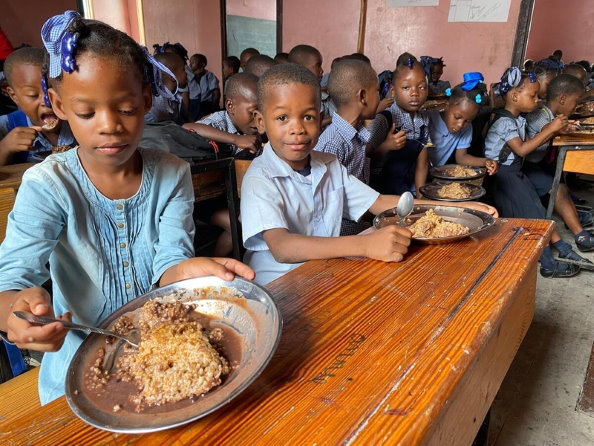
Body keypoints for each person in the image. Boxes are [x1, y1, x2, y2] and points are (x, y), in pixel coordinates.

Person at [0, 11, 254, 405]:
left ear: (147, 100)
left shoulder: (172, 173)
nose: (109, 125)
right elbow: (10, 279)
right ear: (59, 104)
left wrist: (186, 271)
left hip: (163, 352)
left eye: (127, 109)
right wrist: (13, 311)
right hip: (78, 369)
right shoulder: (48, 185)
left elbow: (170, 259)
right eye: (87, 113)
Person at [240, 63, 497, 285]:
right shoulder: (260, 177)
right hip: (278, 285)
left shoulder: (327, 164)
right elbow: (283, 248)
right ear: (261, 122)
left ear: (320, 119)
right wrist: (364, 244)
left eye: (307, 117)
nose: (297, 129)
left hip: (323, 273)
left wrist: (461, 209)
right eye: (282, 117)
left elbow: (379, 203)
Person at [484, 67, 584, 278]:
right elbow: (522, 149)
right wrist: (549, 130)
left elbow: (530, 145)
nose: (538, 100)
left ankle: (560, 245)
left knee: (537, 209)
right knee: (533, 216)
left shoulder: (518, 119)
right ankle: (548, 264)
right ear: (514, 96)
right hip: (504, 174)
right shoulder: (504, 122)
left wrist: (555, 130)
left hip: (515, 171)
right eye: (533, 95)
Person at [524, 74, 594, 251]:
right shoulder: (540, 117)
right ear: (562, 99)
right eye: (575, 102)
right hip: (527, 168)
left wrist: (562, 128)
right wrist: (555, 132)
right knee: (559, 188)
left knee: (560, 183)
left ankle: (576, 218)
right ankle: (580, 235)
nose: (576, 106)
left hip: (540, 166)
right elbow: (532, 150)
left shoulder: (551, 115)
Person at [314, 59, 379, 235]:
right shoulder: (332, 143)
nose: (379, 98)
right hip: (341, 231)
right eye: (378, 91)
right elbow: (324, 206)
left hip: (361, 219)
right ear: (363, 96)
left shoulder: (356, 134)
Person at [0, 47, 76, 165]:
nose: (47, 102)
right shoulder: (5, 127)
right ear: (13, 95)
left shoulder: (79, 119)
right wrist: (5, 148)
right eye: (33, 95)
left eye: (54, 91)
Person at [369, 57, 430, 197]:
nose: (415, 93)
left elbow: (422, 162)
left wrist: (421, 198)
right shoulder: (384, 119)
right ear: (393, 91)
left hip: (404, 187)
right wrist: (386, 146)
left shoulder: (423, 120)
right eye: (406, 87)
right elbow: (365, 157)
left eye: (421, 87)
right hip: (379, 191)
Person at [427, 72, 498, 173]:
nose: (461, 124)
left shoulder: (467, 128)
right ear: (446, 105)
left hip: (435, 174)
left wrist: (485, 161)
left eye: (468, 121)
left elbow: (461, 157)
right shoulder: (428, 120)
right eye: (457, 117)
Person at [184, 72, 260, 156]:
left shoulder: (255, 127)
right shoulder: (219, 123)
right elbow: (187, 127)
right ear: (230, 106)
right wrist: (237, 139)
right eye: (253, 112)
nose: (259, 119)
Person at [144, 51, 189, 124]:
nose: (186, 73)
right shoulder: (155, 104)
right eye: (183, 70)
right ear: (172, 77)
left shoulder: (176, 98)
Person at [188, 53, 221, 120]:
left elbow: (216, 91)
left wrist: (214, 105)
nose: (190, 64)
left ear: (203, 64)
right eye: (190, 62)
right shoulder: (189, 76)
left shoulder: (209, 75)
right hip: (193, 104)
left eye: (193, 62)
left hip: (205, 105)